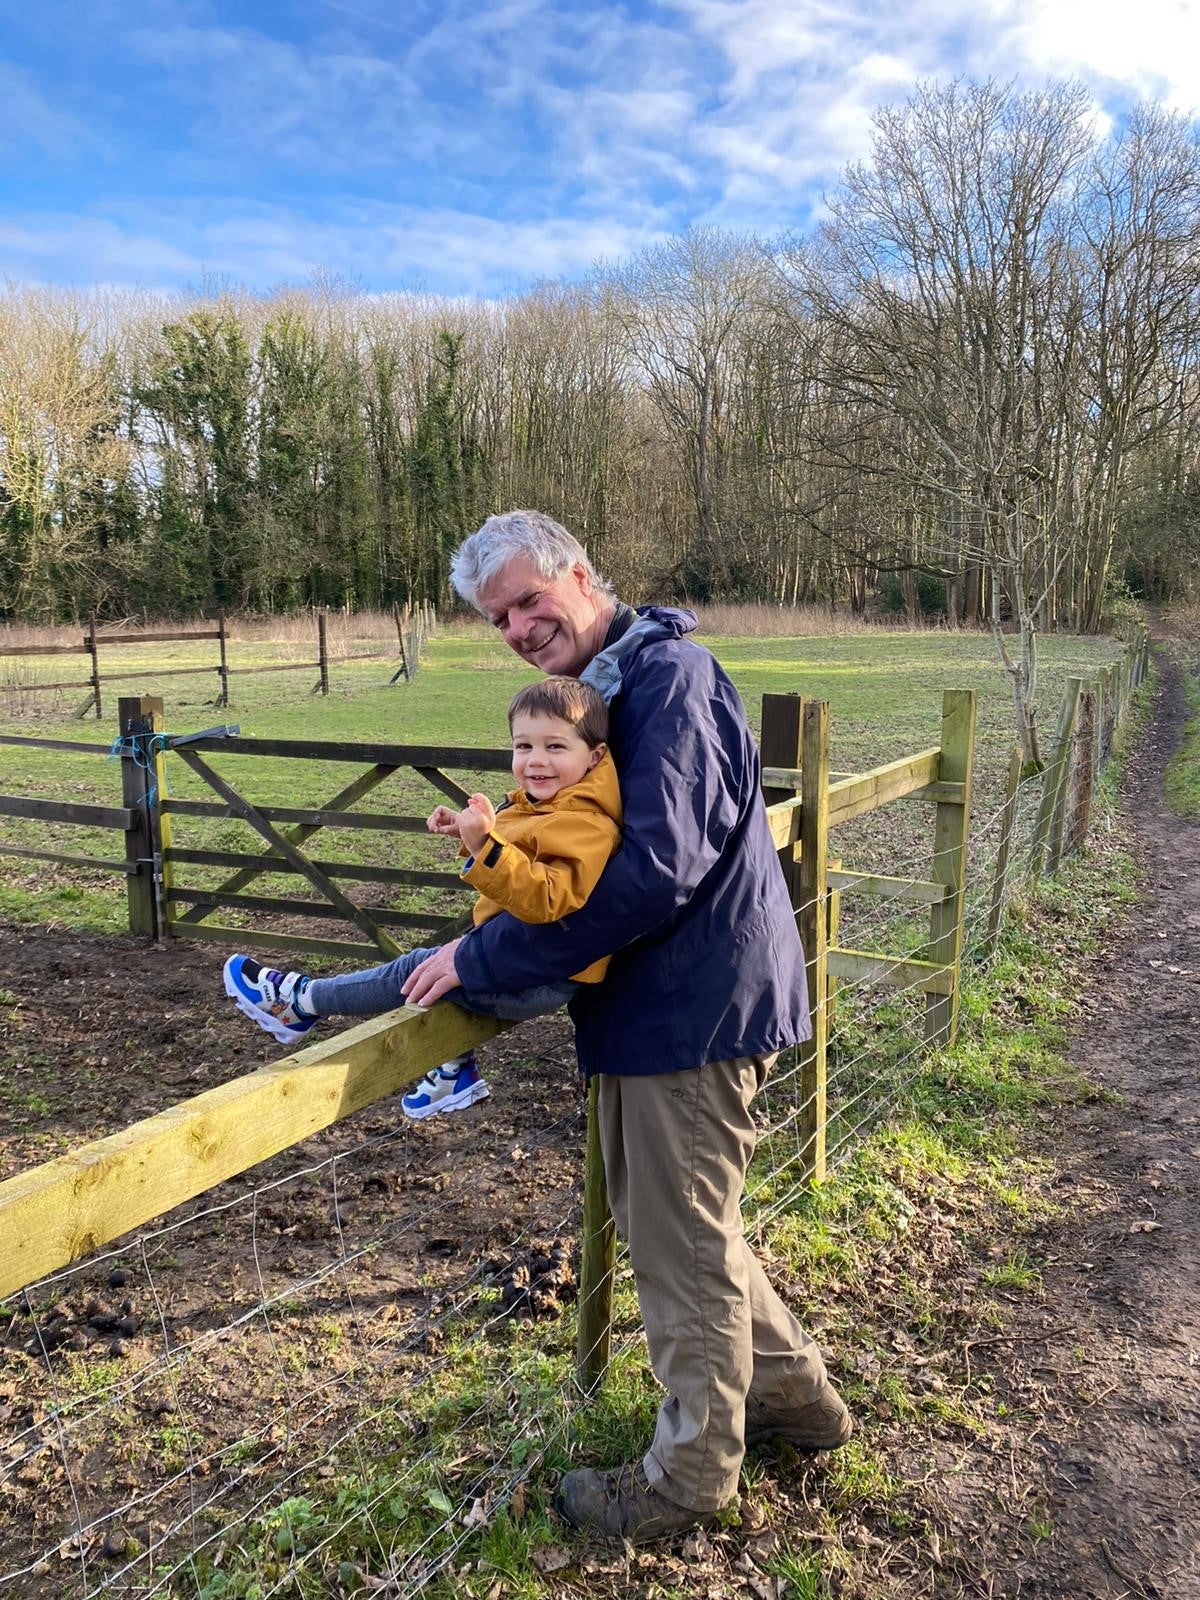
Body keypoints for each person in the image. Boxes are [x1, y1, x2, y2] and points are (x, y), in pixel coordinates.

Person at [400, 509, 851, 1543]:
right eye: (496, 616)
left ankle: (689, 1477)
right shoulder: (614, 689)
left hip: (691, 1009)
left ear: (582, 575)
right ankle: (797, 1399)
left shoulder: (668, 684)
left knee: (676, 1246)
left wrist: (481, 958)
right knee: (691, 1231)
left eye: (527, 599)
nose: (516, 626)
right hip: (670, 1007)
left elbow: (653, 874)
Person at [223, 676, 621, 1119]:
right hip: (529, 960)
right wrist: (467, 831)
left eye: (555, 747)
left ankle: (300, 1002)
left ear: (596, 754)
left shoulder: (586, 823)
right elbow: (523, 848)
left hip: (543, 976)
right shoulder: (552, 803)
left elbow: (549, 899)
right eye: (523, 746)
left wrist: (485, 848)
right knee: (443, 973)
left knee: (419, 969)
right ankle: (453, 1069)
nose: (535, 761)